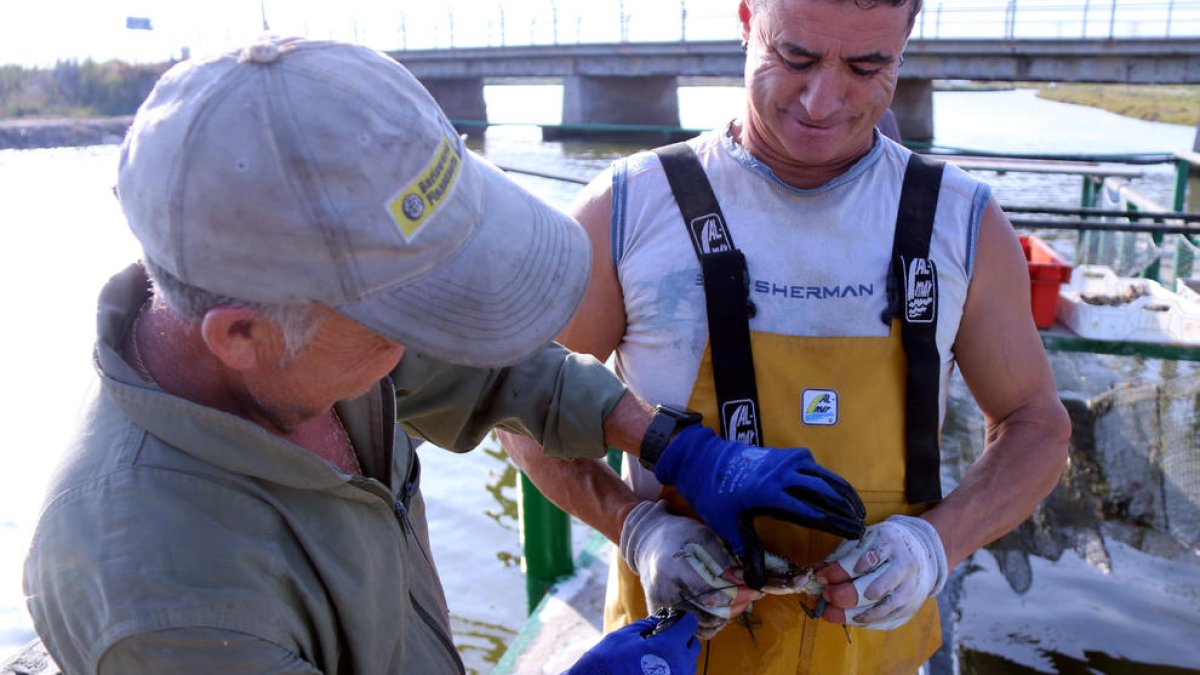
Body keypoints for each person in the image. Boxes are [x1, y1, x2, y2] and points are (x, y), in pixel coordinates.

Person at [21, 36, 868, 675]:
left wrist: (672, 443)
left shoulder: (305, 345)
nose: (424, 341)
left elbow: (493, 370)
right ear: (240, 335)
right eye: (402, 318)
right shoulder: (162, 597)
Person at [501, 0, 1072, 672]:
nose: (822, 100)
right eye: (795, 57)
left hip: (873, 656)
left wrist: (934, 544)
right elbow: (519, 402)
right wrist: (636, 526)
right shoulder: (628, 207)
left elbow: (1036, 425)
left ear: (907, 39)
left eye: (867, 66)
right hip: (676, 653)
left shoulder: (959, 220)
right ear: (746, 16)